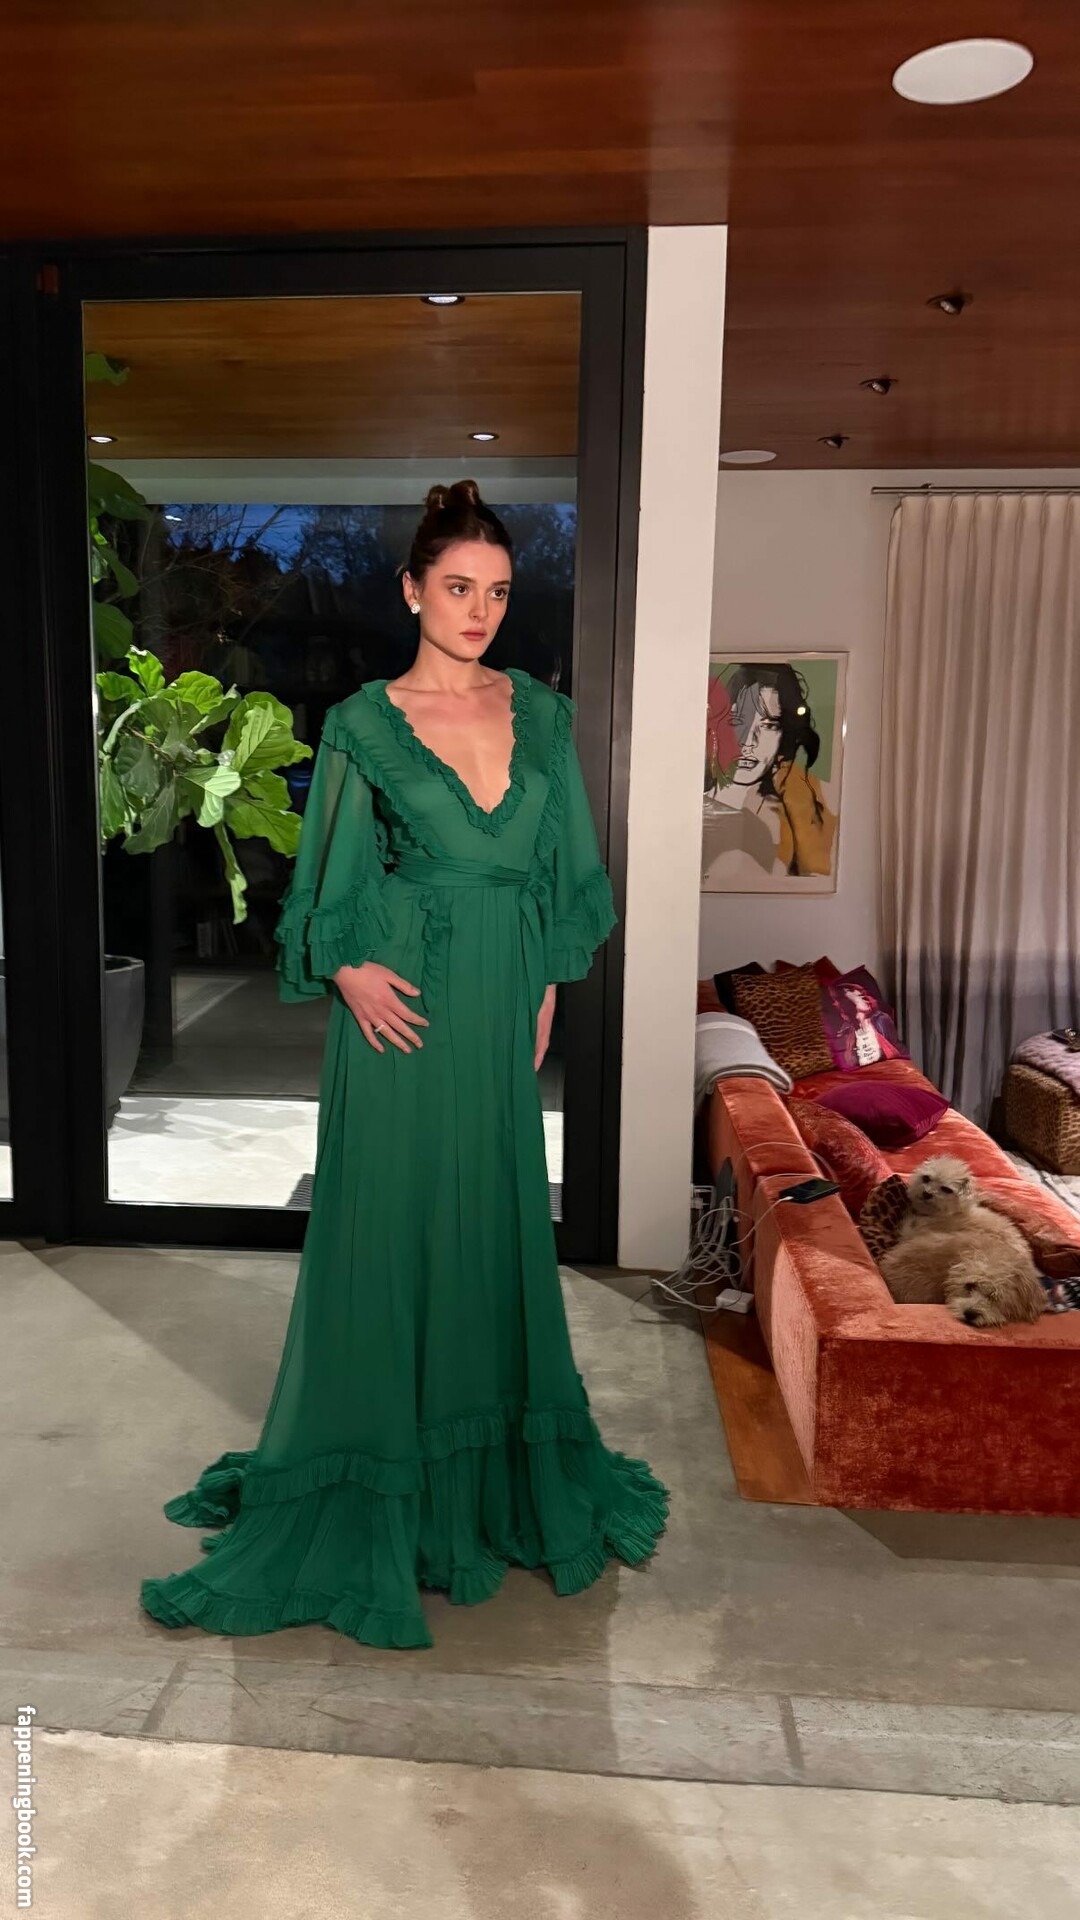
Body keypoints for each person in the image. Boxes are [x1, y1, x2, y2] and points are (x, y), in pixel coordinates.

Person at [140, 480, 668, 1651]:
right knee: (388, 1228)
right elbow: (330, 869)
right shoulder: (365, 724)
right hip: (402, 1006)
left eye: (498, 592)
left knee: (488, 1220)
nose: (479, 610)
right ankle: (371, 1462)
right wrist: (349, 971)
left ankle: (483, 1471)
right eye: (458, 588)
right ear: (412, 590)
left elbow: (559, 868)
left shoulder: (539, 712)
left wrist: (545, 983)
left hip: (498, 998)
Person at [703, 664, 837, 879]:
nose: (749, 742)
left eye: (768, 725)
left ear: (784, 736)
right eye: (736, 721)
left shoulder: (778, 823)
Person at [826, 978, 904, 1070]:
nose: (863, 995)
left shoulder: (882, 1020)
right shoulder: (845, 1032)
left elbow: (899, 1051)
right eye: (851, 991)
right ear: (845, 1002)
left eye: (863, 994)